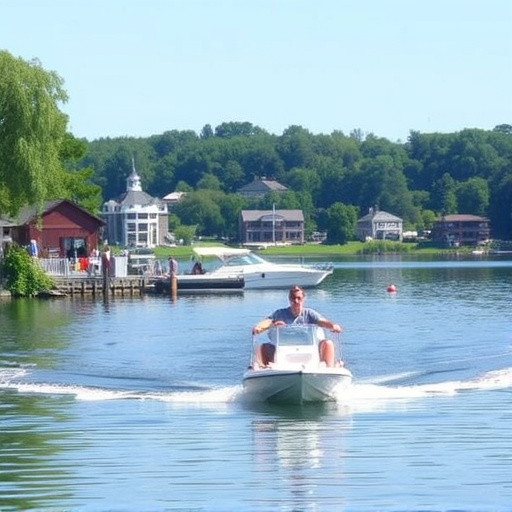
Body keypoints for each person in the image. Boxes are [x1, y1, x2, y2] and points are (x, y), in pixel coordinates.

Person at [251, 285, 342, 368]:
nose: (296, 301)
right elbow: (268, 321)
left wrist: (333, 326)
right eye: (293, 298)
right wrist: (258, 327)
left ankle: (327, 367)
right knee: (263, 347)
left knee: (328, 343)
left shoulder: (309, 314)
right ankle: (266, 369)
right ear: (289, 299)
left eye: (299, 298)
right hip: (283, 350)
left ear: (303, 299)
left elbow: (322, 321)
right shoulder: (280, 313)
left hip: (308, 349)